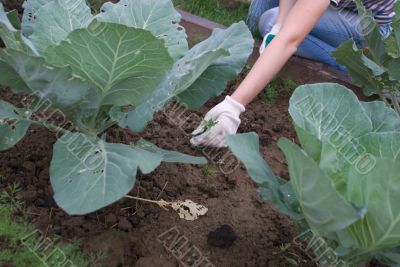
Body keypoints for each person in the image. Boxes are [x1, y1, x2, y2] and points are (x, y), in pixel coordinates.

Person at [190, 0, 395, 148]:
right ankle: (301, 29)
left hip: (364, 20)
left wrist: (233, 106)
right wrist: (280, 25)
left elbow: (290, 39)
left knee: (269, 23)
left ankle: (355, 64)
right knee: (260, 19)